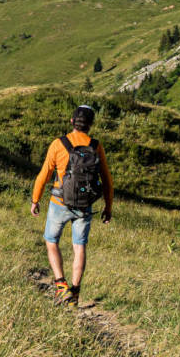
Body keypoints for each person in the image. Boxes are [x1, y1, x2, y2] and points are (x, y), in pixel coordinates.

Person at [30, 104, 113, 306]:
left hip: (60, 202)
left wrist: (35, 199)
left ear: (72, 122)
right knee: (79, 247)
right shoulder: (95, 146)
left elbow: (44, 175)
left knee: (51, 242)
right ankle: (75, 293)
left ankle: (61, 285)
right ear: (90, 125)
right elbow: (107, 180)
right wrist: (108, 207)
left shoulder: (59, 144)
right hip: (85, 205)